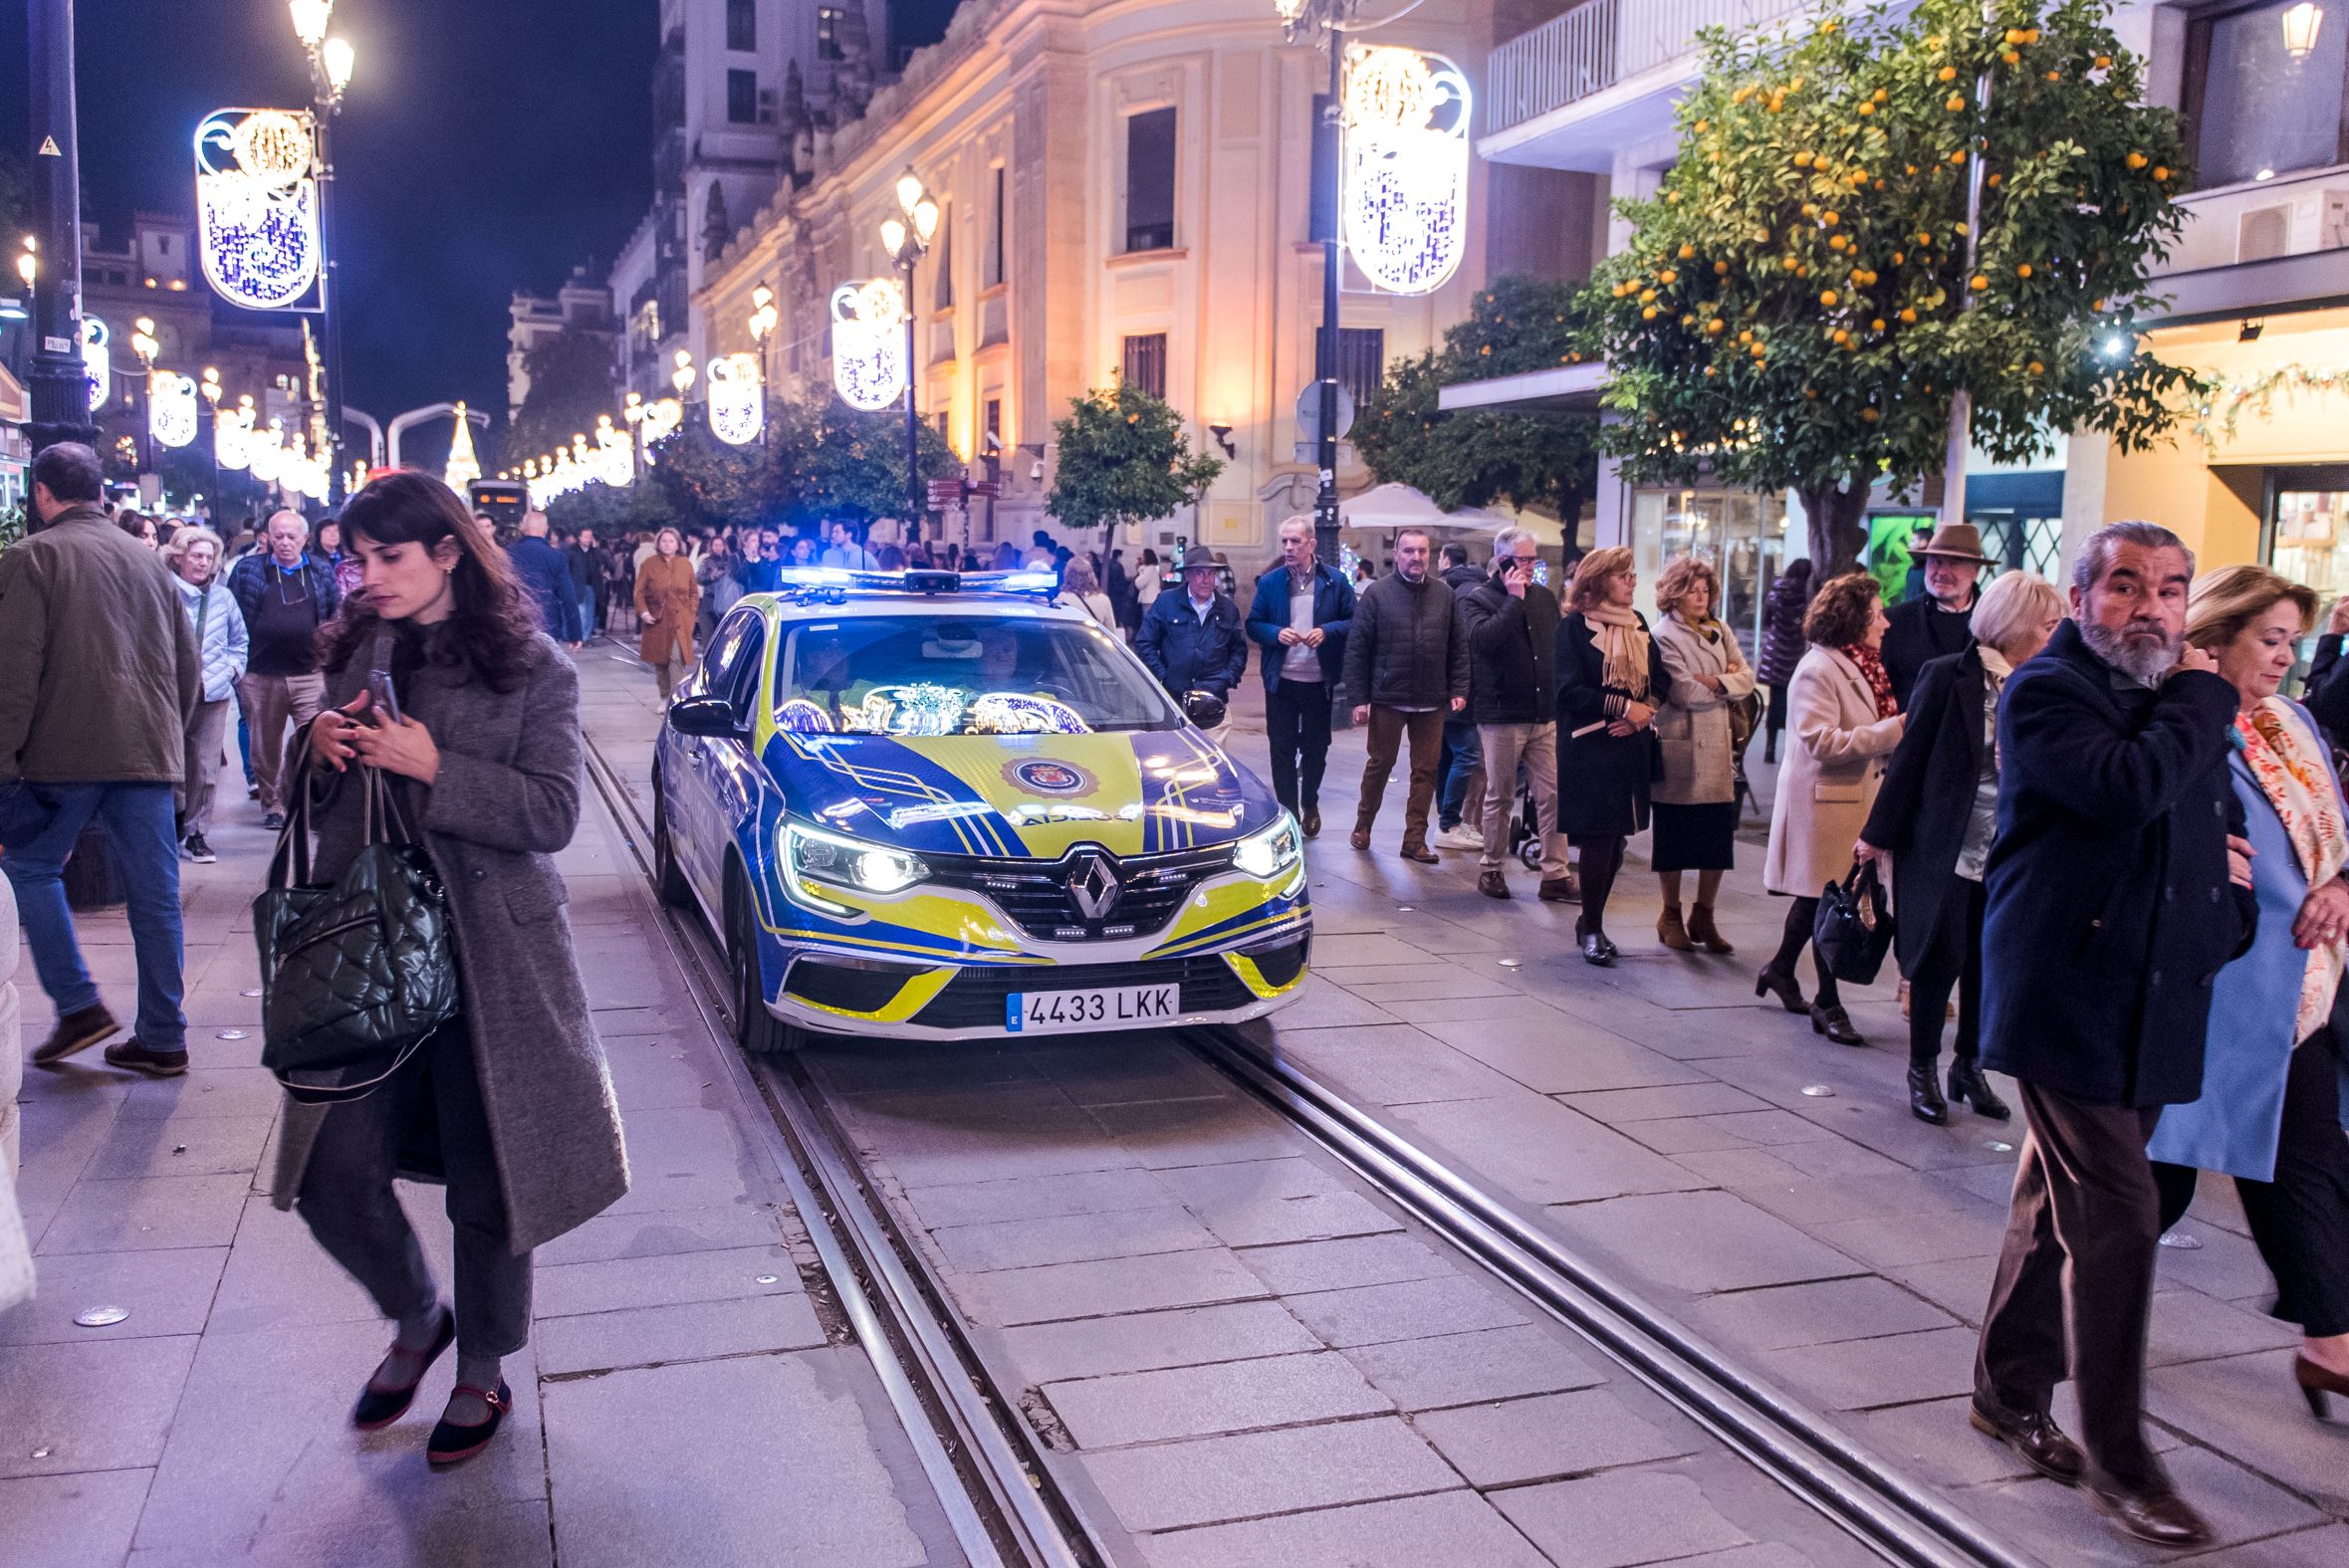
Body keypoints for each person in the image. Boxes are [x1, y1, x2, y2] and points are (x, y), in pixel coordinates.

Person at [281, 471, 628, 1469]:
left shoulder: (534, 669)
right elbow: (301, 803)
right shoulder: (353, 648)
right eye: (359, 558)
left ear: (446, 554)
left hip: (491, 958)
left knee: (492, 1175)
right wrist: (317, 748)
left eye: (390, 557)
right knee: (328, 1171)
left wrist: (437, 769)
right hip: (370, 953)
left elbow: (553, 815)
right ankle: (413, 1313)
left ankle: (483, 1365)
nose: (370, 576)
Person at [1970, 522, 2251, 1551]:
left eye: (2171, 591)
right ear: (2081, 597)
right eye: (2126, 587)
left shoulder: (2172, 707)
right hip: (2062, 994)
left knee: (2059, 1201)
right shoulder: (2049, 692)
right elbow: (2126, 789)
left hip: (2150, 995)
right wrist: (2202, 695)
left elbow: (2208, 836)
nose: (2152, 608)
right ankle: (2123, 1466)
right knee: (2122, 1214)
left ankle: (2005, 1390)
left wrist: (2232, 916)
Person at [2148, 564, 2349, 1424]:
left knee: (2302, 1160)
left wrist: (2342, 886)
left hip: (2302, 986)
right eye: (2269, 638)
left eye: (2292, 641)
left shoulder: (2291, 721)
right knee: (2157, 1176)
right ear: (2217, 634)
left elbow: (2339, 833)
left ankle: (2328, 1341)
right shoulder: (2185, 716)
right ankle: (2050, 1307)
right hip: (2222, 984)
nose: (2285, 656)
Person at [0, 442, 201, 1077]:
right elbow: (187, 668)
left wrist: (4, 763)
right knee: (156, 895)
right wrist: (171, 732)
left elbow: (13, 672)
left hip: (64, 753)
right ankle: (164, 1036)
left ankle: (80, 1004)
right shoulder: (148, 562)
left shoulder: (33, 557)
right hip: (147, 750)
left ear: (41, 494)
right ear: (99, 492)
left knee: (30, 869)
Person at [1859, 570, 2062, 1123]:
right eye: (2048, 624)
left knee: (1987, 963)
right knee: (1937, 960)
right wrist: (1876, 836)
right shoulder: (1950, 676)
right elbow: (1912, 757)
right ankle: (1922, 1066)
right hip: (1947, 845)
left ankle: (1969, 1066)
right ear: (2016, 625)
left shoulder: (2045, 684)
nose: (2057, 634)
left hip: (2008, 854)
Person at [1758, 572, 1905, 1041]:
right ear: (1854, 619)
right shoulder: (1818, 668)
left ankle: (1781, 969)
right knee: (1830, 901)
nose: (1885, 623)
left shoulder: (1861, 664)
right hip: (1823, 802)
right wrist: (1894, 730)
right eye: (1877, 614)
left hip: (1851, 798)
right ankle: (1828, 1001)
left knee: (1818, 898)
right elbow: (1821, 741)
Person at [1554, 548, 1669, 965]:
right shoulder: (1574, 628)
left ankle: (1590, 920)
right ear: (1599, 580)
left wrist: (1643, 713)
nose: (1632, 583)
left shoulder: (1637, 624)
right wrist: (1621, 708)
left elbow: (1661, 679)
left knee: (1617, 840)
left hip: (1630, 745)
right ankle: (1593, 926)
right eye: (1624, 576)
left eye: (1633, 575)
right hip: (1589, 748)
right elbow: (1567, 691)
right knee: (1600, 840)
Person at [1459, 528, 1574, 902]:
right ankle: (1491, 868)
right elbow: (1483, 642)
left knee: (1554, 794)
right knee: (1500, 794)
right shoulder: (1478, 600)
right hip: (1501, 714)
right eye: (1522, 559)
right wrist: (1512, 599)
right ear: (1502, 559)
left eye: (1532, 559)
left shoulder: (1543, 598)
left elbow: (1554, 650)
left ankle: (1555, 872)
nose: (1529, 566)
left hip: (1543, 713)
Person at [1342, 527, 1468, 862]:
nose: (1416, 557)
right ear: (1396, 554)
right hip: (1387, 696)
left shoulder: (1445, 595)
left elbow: (1458, 647)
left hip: (1431, 698)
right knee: (1380, 763)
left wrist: (1458, 688)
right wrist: (1359, 697)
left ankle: (1414, 839)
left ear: (1430, 555)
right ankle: (1363, 823)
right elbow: (1358, 648)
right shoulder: (1378, 594)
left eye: (1423, 551)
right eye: (1409, 551)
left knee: (1426, 770)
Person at [1651, 556, 1756, 952]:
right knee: (1675, 837)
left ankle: (1704, 914)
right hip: (1682, 747)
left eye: (1705, 590)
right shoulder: (1664, 635)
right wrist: (1723, 683)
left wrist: (1715, 680)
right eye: (1692, 591)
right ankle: (1670, 914)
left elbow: (1748, 679)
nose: (1701, 597)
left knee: (1716, 839)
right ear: (1674, 594)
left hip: (1717, 749)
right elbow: (1684, 693)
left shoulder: (1720, 628)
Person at [229, 509, 342, 830]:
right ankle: (273, 804)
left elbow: (333, 613)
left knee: (313, 740)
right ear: (267, 537)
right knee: (265, 746)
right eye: (278, 536)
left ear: (305, 539)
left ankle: (307, 798)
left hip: (310, 673)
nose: (285, 542)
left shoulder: (320, 570)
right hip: (261, 673)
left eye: (292, 536)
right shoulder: (248, 570)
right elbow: (235, 616)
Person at [1246, 516, 1354, 838]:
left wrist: (1326, 630)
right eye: (1285, 542)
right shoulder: (1271, 582)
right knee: (1281, 749)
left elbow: (1353, 620)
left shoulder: (1335, 581)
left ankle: (1310, 801)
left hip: (1319, 681)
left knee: (1316, 748)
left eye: (1295, 541)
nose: (1289, 548)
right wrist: (1276, 633)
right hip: (1282, 680)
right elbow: (1253, 624)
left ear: (1311, 544)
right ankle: (1290, 815)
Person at [163, 526, 250, 864]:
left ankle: (197, 833)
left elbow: (239, 641)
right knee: (172, 765)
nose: (203, 563)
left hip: (212, 693)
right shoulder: (164, 590)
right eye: (196, 555)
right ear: (179, 557)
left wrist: (231, 670)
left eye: (209, 557)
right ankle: (173, 827)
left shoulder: (223, 597)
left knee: (206, 768)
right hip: (170, 694)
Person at [1137, 556, 1247, 740]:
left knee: (1212, 764)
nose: (1206, 579)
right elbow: (1145, 642)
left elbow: (1239, 649)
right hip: (1173, 702)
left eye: (1210, 573)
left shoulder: (1227, 608)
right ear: (1188, 575)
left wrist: (1227, 678)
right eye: (1199, 573)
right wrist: (1163, 676)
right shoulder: (1167, 602)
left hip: (1213, 703)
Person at [1883, 523, 1993, 709]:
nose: (1941, 572)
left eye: (1954, 563)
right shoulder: (1893, 621)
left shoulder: (1995, 624)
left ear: (1975, 571)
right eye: (1936, 561)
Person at [1433, 542, 1489, 850]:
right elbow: (1467, 648)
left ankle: (1446, 819)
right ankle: (1449, 823)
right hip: (1463, 688)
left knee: (1448, 756)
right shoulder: (1472, 595)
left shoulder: (1449, 590)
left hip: (1445, 687)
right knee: (1466, 754)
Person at [1757, 560, 1812, 766]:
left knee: (1776, 700)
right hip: (1797, 653)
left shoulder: (1775, 592)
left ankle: (1770, 747)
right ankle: (1791, 748)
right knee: (1797, 702)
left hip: (1776, 651)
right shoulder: (1808, 596)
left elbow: (1766, 621)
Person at [635, 528, 699, 700]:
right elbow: (639, 592)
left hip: (680, 620)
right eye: (664, 541)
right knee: (661, 661)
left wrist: (691, 614)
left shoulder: (685, 564)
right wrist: (644, 612)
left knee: (677, 658)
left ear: (677, 544)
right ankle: (664, 697)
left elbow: (693, 591)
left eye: (671, 541)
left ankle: (676, 698)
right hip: (657, 620)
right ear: (658, 543)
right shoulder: (649, 564)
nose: (668, 544)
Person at [508, 511, 581, 647]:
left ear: (523, 528)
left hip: (515, 625)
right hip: (548, 625)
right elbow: (568, 597)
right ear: (545, 529)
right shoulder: (557, 557)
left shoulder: (507, 553)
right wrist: (575, 634)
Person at [566, 526, 610, 637]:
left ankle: (585, 637)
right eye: (586, 537)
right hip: (578, 586)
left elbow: (600, 563)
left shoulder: (594, 552)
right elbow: (567, 569)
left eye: (590, 537)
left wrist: (595, 549)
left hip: (592, 586)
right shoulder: (572, 552)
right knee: (581, 613)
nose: (588, 539)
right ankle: (579, 636)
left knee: (590, 613)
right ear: (579, 538)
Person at [315, 517, 364, 599]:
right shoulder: (312, 560)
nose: (333, 534)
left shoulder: (348, 558)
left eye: (336, 530)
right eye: (327, 530)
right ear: (318, 535)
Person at [1061, 557, 1117, 627]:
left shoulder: (1063, 598)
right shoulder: (1103, 599)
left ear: (1067, 575)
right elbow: (1111, 630)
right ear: (1091, 575)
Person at [1134, 549, 1164, 614]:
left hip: (1149, 600)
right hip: (1152, 599)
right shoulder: (1153, 569)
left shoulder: (1149, 569)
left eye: (1143, 556)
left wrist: (1140, 571)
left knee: (1148, 620)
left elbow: (1139, 583)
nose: (1142, 558)